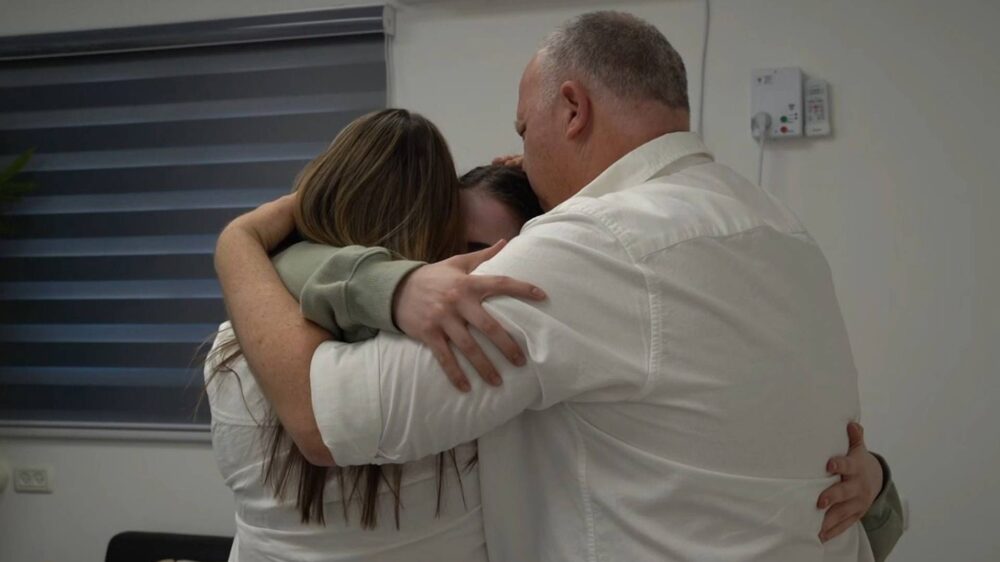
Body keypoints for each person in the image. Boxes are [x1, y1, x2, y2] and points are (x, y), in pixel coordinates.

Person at [215, 12, 905, 560]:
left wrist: (238, 242)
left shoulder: (595, 248)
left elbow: (324, 418)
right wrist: (875, 484)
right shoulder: (779, 232)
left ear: (572, 109)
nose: (520, 153)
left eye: (525, 129)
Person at [204, 109, 549, 562]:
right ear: (433, 232)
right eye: (460, 245)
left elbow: (284, 276)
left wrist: (245, 236)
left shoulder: (230, 349)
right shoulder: (455, 351)